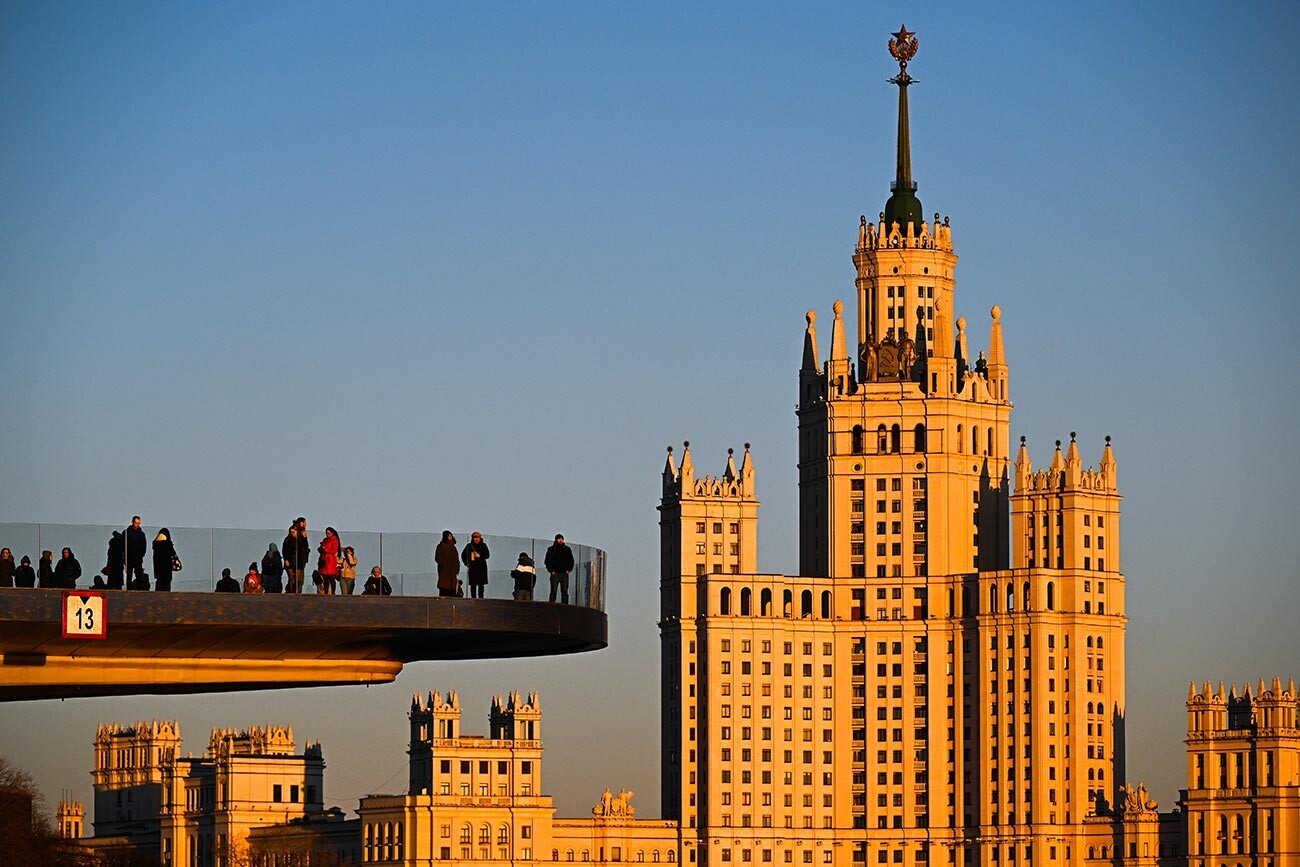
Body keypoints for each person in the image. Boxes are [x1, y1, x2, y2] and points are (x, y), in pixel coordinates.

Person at [544, 533, 575, 604]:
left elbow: (571, 560)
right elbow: (547, 561)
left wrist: (569, 570)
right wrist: (551, 571)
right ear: (556, 540)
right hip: (555, 573)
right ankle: (551, 605)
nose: (561, 540)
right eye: (559, 539)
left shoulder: (567, 549)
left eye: (562, 539)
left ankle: (565, 606)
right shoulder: (551, 549)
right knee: (553, 590)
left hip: (564, 573)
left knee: (564, 591)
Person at [283, 519, 310, 594]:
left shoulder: (300, 539)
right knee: (291, 578)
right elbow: (284, 551)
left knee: (298, 579)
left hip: (299, 560)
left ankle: (296, 591)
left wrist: (305, 537)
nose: (292, 533)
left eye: (294, 532)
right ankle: (291, 592)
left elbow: (305, 546)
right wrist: (286, 560)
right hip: (290, 560)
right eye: (291, 532)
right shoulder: (287, 540)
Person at [461, 532, 490, 598]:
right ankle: (473, 599)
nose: (476, 539)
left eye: (477, 537)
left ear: (480, 538)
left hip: (481, 567)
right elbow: (463, 555)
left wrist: (479, 556)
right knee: (473, 585)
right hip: (473, 567)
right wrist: (467, 563)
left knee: (481, 585)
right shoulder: (469, 546)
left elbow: (487, 555)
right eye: (474, 537)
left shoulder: (483, 545)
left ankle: (481, 599)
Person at [125, 515, 149, 589]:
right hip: (129, 557)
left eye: (139, 523)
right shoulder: (127, 532)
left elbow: (144, 545)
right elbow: (123, 544)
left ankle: (139, 588)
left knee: (139, 575)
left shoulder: (141, 534)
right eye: (136, 523)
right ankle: (129, 588)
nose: (137, 525)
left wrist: (142, 554)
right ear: (132, 522)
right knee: (129, 575)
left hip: (138, 558)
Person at [434, 530, 459, 597]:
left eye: (451, 535)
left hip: (452, 570)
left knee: (451, 587)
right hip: (444, 570)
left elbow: (456, 559)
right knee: (444, 587)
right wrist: (443, 564)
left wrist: (457, 569)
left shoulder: (453, 547)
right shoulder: (440, 546)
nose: (450, 537)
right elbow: (438, 558)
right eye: (449, 535)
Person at [316, 527, 340, 595]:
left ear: (332, 533)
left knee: (331, 577)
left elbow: (334, 551)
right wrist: (320, 549)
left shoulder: (335, 540)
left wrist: (325, 549)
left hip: (330, 561)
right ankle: (326, 592)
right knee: (325, 577)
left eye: (328, 533)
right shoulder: (325, 540)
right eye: (326, 533)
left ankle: (333, 592)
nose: (327, 534)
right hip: (324, 560)